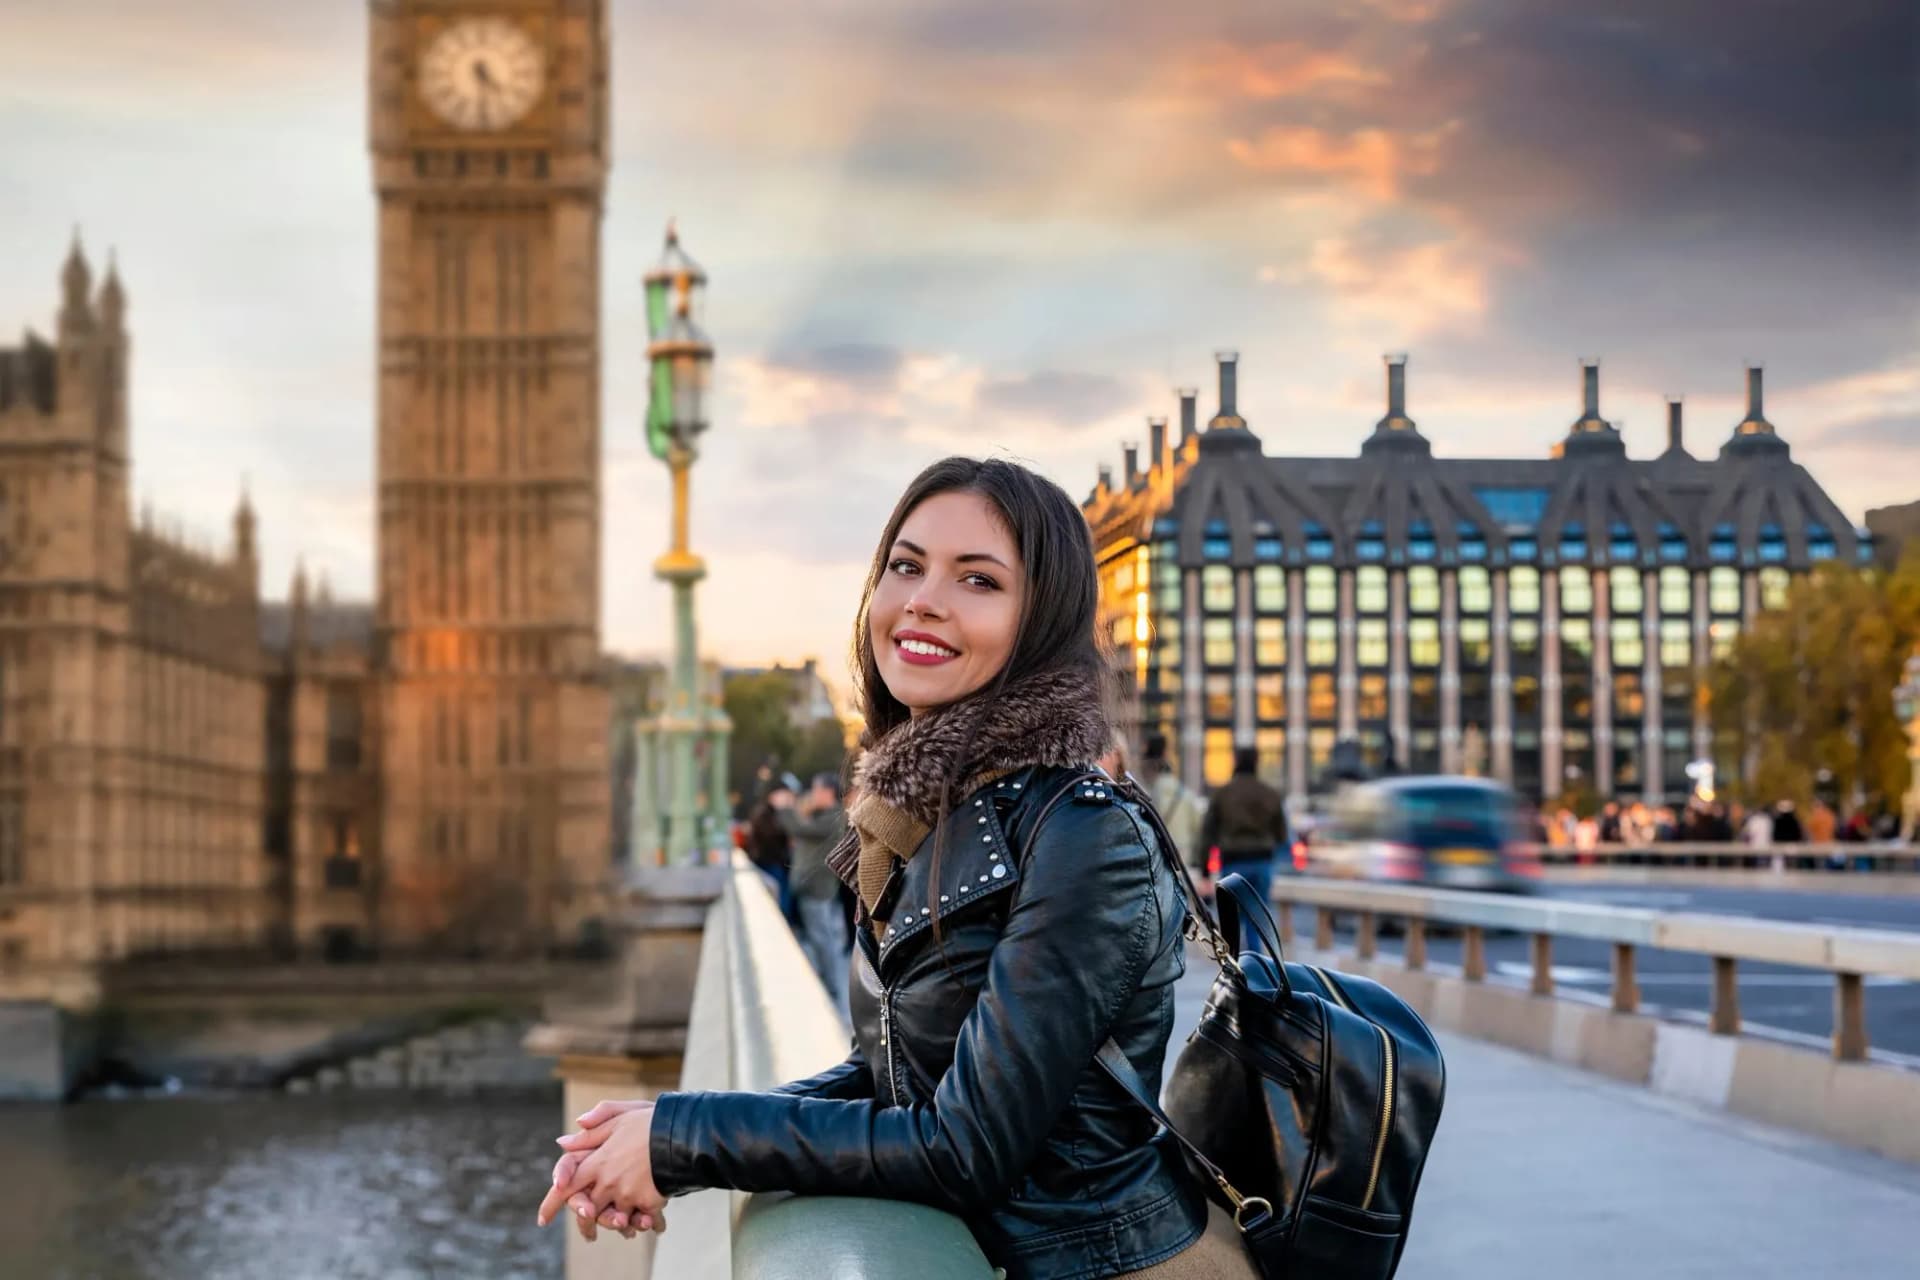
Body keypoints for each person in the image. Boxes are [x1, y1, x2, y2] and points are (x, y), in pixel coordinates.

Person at [540, 457, 1254, 1278]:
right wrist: (670, 1129)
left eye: (978, 581)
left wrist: (683, 1143)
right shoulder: (919, 809)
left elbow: (964, 1146)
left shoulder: (1084, 836)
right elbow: (888, 1072)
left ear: (1042, 622)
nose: (923, 599)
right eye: (906, 566)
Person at [780, 771, 852, 1014]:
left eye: (816, 790)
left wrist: (785, 808)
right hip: (810, 888)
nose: (812, 795)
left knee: (823, 940)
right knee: (819, 938)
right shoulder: (823, 815)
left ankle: (832, 989)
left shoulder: (832, 817)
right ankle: (826, 983)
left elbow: (798, 829)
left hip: (817, 889)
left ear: (827, 792)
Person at [1199, 747, 1288, 920]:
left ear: (1236, 762)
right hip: (1262, 862)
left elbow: (1207, 835)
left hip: (1233, 862)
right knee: (1257, 921)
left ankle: (1237, 948)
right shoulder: (1270, 794)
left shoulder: (1222, 794)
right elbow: (1282, 835)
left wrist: (1205, 871)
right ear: (1257, 763)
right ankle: (1255, 948)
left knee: (1232, 924)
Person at [1141, 734, 1207, 889]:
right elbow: (1198, 830)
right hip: (1182, 855)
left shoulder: (1147, 796)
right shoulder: (1185, 795)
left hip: (1157, 856)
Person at [743, 782, 796, 922]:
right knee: (780, 894)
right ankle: (782, 920)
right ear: (773, 796)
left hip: (778, 861)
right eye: (783, 795)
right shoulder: (764, 813)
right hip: (768, 861)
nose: (786, 799)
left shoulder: (778, 813)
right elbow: (772, 834)